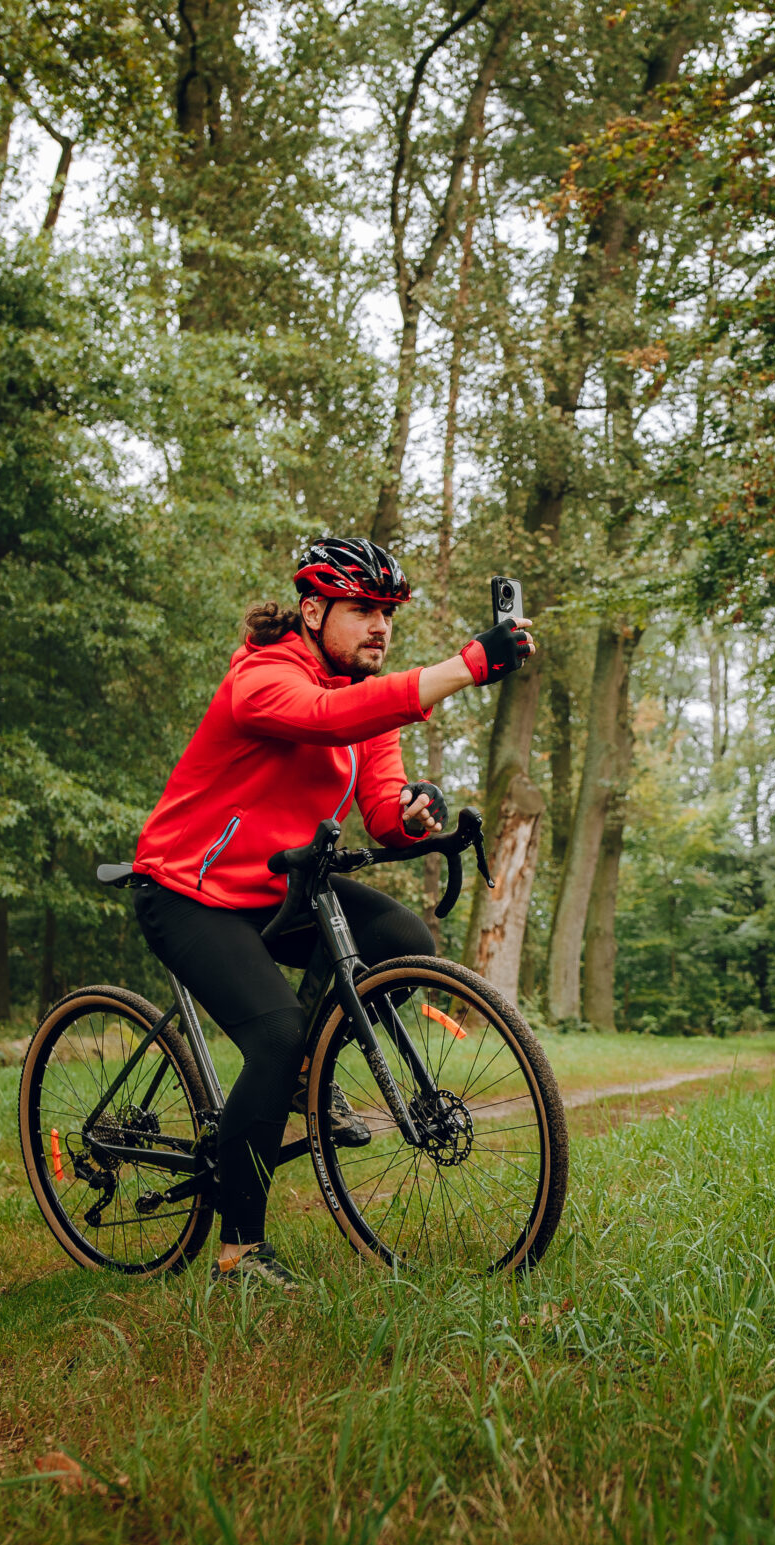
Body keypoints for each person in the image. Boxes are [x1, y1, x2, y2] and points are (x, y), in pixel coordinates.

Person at [128, 537, 533, 1290]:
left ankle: (305, 1074)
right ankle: (239, 1252)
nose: (381, 626)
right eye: (364, 610)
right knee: (276, 1037)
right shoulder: (262, 677)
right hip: (187, 889)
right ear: (313, 611)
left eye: (389, 614)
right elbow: (323, 717)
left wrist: (412, 813)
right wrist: (469, 665)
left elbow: (379, 809)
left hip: (280, 887)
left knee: (403, 939)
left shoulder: (364, 698)